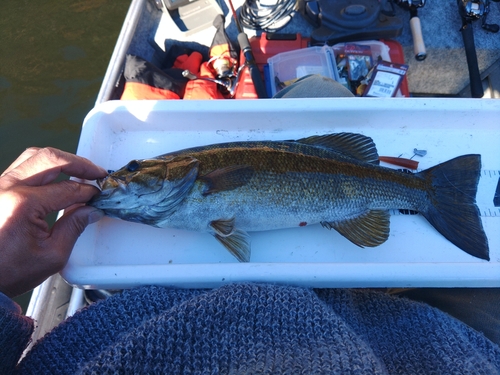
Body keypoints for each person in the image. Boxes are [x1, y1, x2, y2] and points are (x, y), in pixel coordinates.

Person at [1, 77, 500, 374]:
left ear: (189, 178)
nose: (121, 179)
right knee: (316, 89)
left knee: (315, 92)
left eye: (132, 172)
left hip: (361, 324)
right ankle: (436, 191)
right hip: (433, 344)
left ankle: (435, 191)